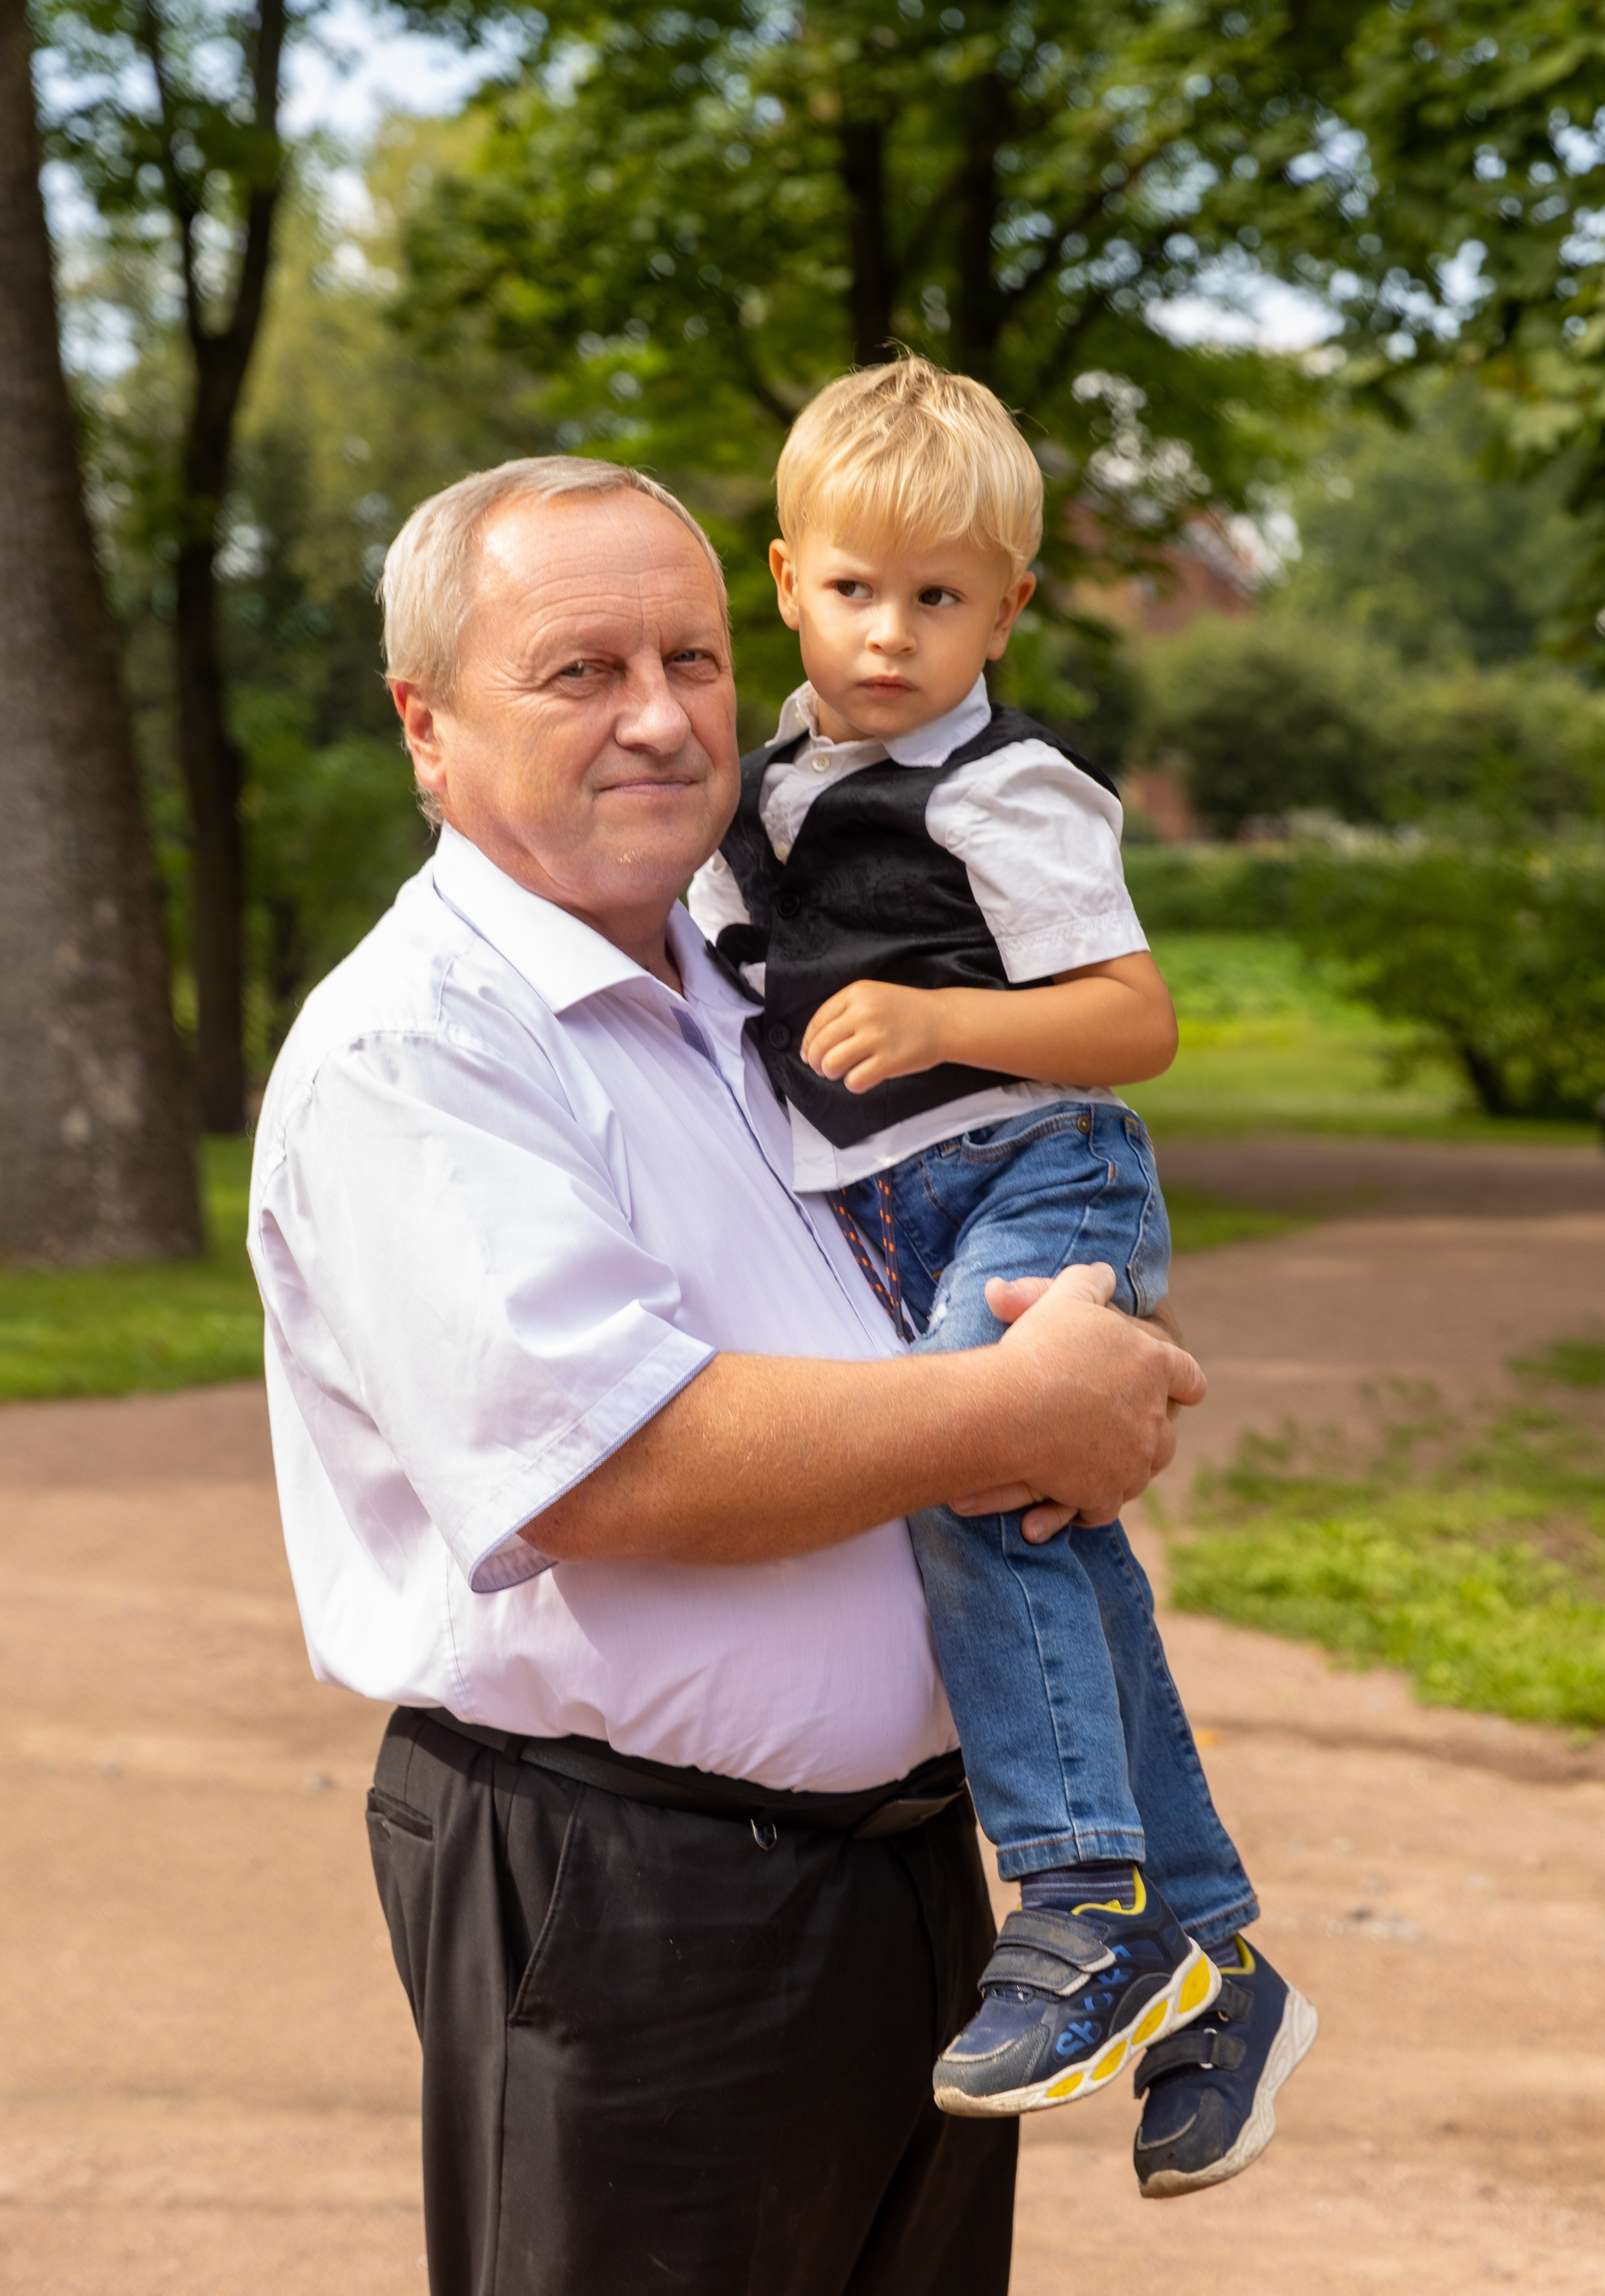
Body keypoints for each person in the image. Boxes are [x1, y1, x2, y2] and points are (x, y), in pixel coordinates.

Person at [248, 452, 1205, 2296]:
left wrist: (1076, 1341)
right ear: (423, 724)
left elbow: (939, 1284)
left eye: (691, 661)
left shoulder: (741, 989)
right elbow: (608, 1468)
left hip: (904, 1885)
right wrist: (1018, 1407)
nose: (664, 718)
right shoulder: (418, 1047)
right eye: (581, 672)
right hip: (634, 1900)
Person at [689, 359, 1317, 2195]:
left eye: (943, 598)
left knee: (985, 1478)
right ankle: (1218, 1967)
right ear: (788, 579)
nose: (894, 637)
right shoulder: (775, 785)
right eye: (859, 591)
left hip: (1041, 1173)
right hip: (888, 1215)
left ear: (1012, 607)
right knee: (1043, 1524)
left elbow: (1136, 1020)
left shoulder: (1011, 784)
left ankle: (1075, 1901)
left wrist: (944, 1013)